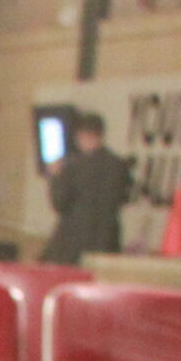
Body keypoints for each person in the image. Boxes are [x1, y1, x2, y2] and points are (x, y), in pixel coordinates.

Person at [44, 111, 132, 265]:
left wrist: (55, 177)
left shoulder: (74, 167)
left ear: (81, 135)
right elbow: (125, 198)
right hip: (107, 244)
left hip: (73, 246)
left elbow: (60, 203)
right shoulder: (119, 166)